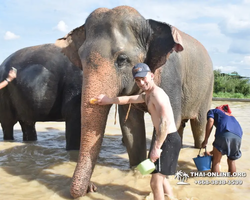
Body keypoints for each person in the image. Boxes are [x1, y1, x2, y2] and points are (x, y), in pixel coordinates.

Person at [93, 63, 181, 200]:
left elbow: (165, 122)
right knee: (161, 177)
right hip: (164, 138)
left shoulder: (158, 95)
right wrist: (108, 100)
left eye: (143, 78)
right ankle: (170, 198)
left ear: (151, 76)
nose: (141, 82)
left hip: (168, 139)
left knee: (155, 181)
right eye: (137, 80)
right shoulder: (147, 95)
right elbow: (128, 99)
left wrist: (156, 148)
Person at [201, 104, 243, 174]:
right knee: (231, 161)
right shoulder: (232, 117)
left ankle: (214, 182)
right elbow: (225, 145)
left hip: (224, 132)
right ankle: (232, 181)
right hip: (238, 136)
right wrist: (210, 152)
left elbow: (210, 121)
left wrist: (205, 141)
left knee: (216, 161)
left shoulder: (213, 111)